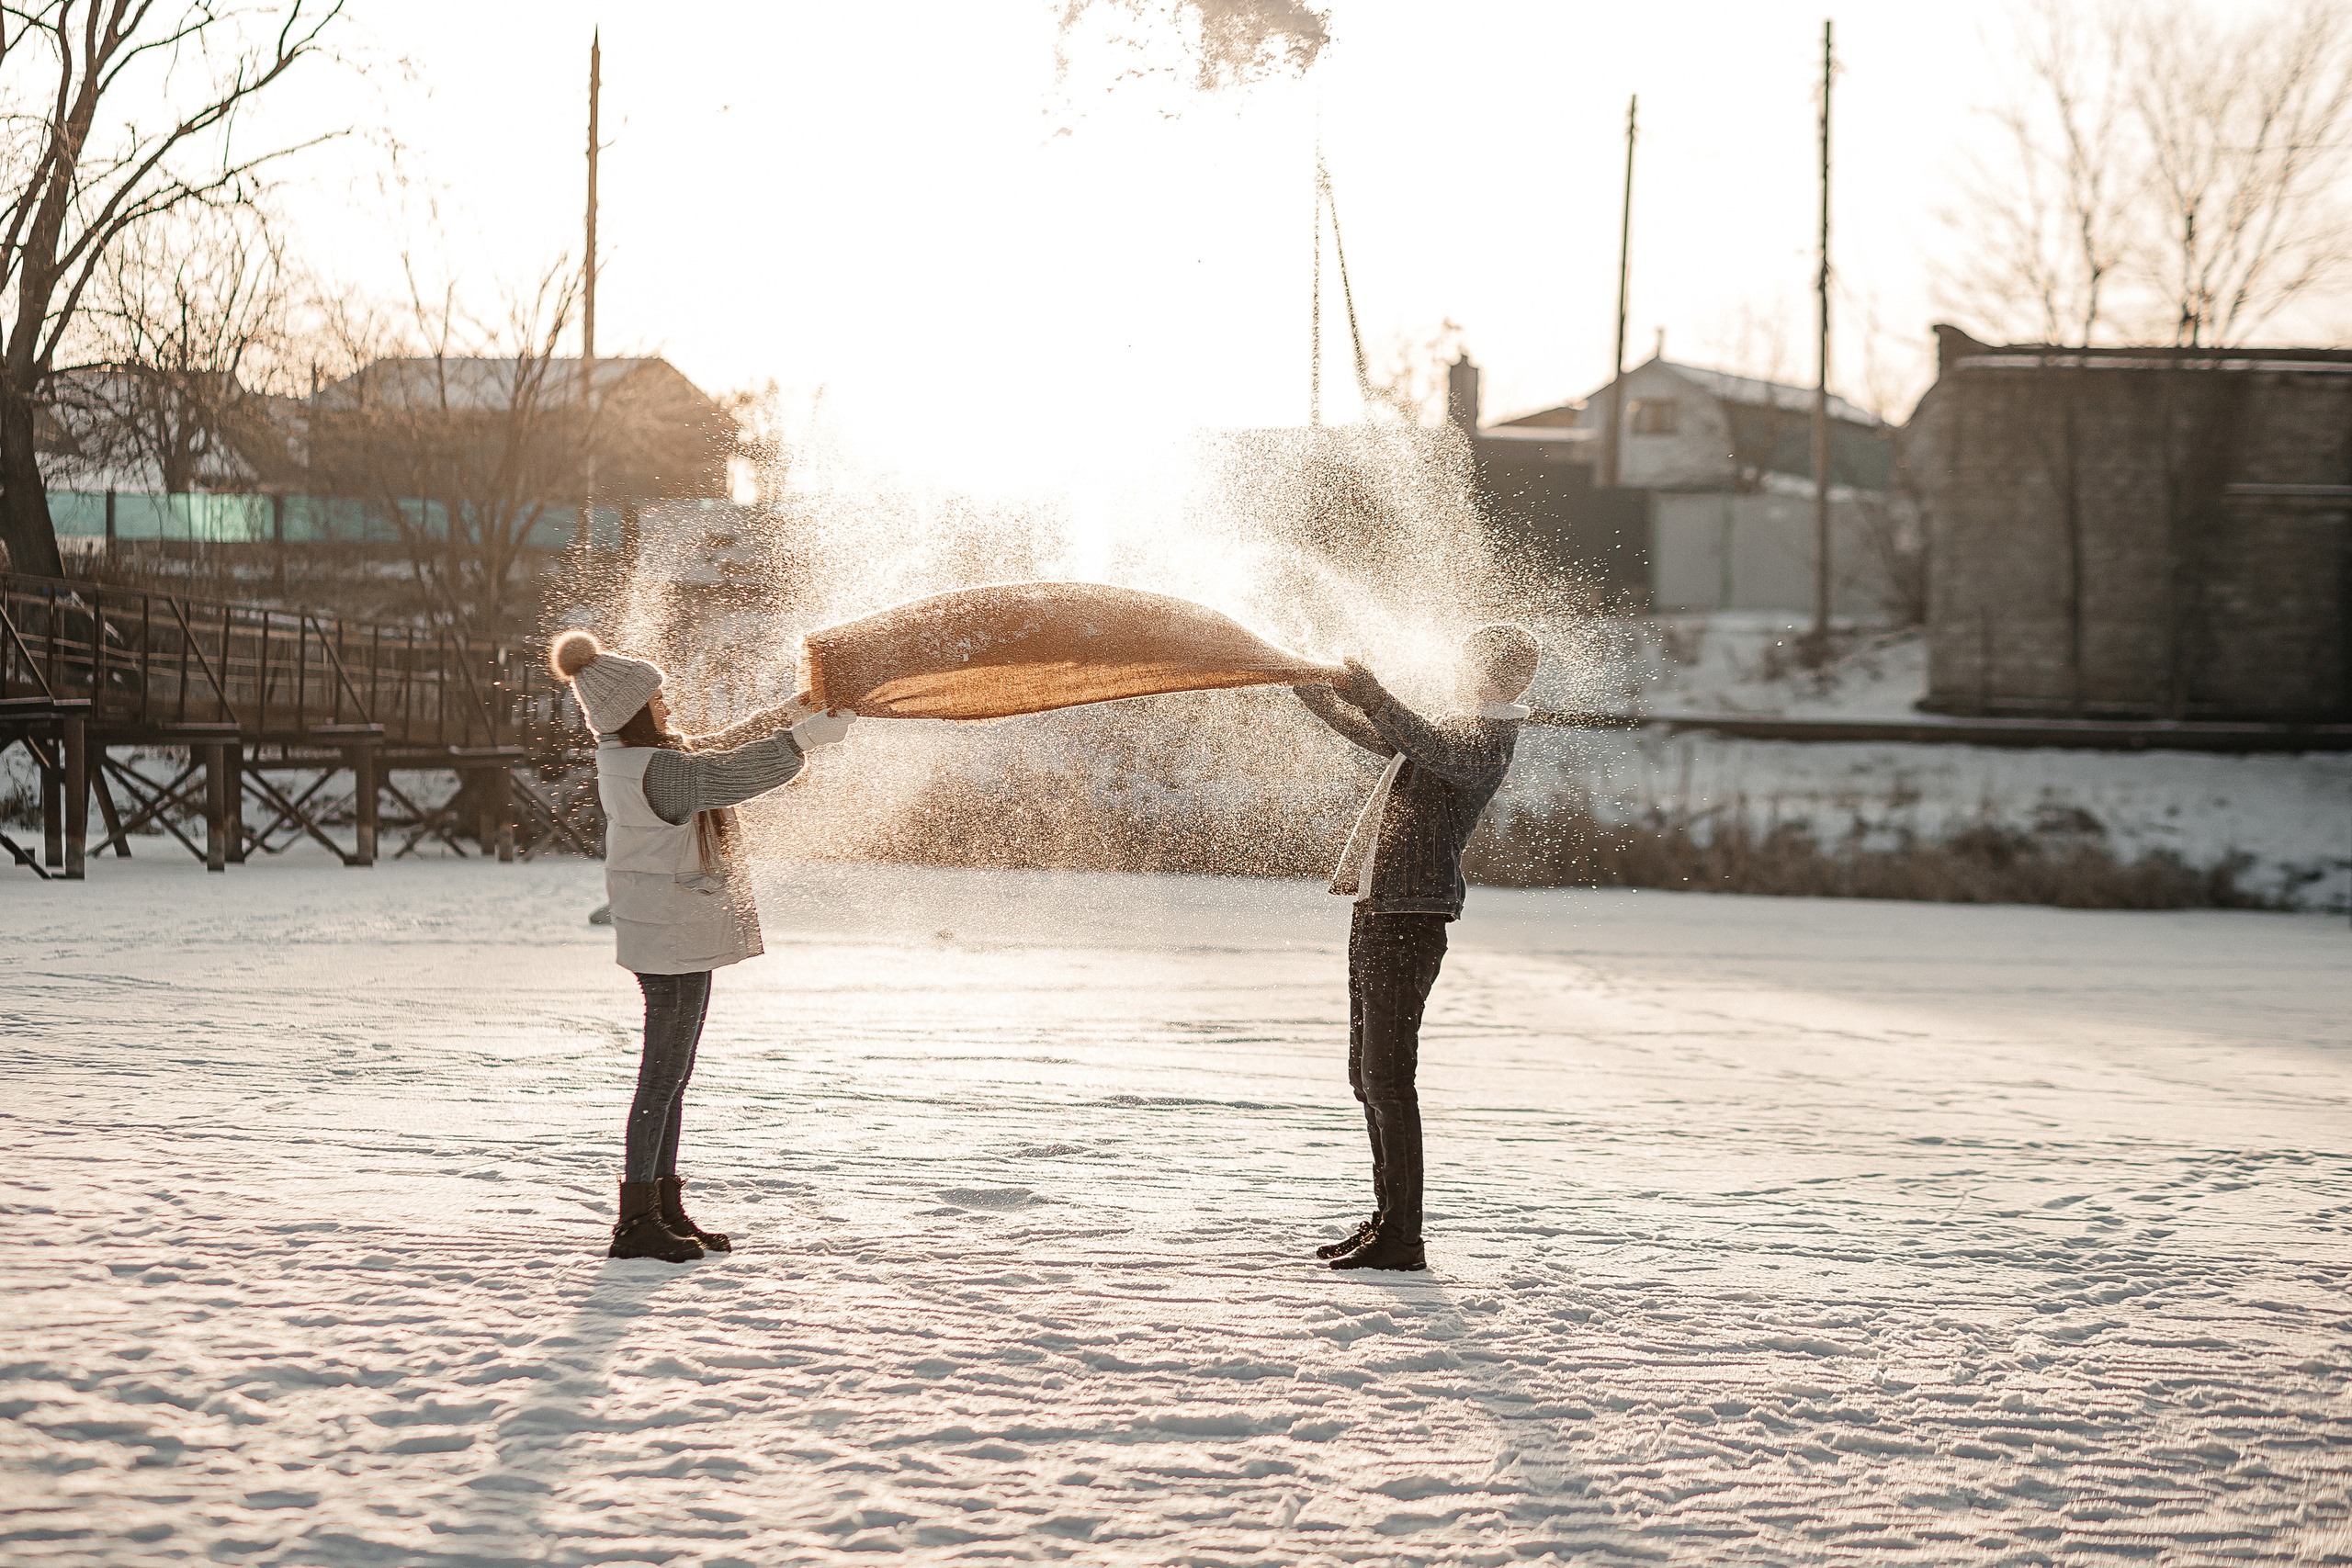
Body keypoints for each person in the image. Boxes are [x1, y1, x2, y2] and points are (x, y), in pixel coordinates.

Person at [550, 629, 854, 1263]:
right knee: (661, 1076)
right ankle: (636, 1220)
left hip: (669, 928)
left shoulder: (649, 756)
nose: (668, 703)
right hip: (669, 935)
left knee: (673, 1075)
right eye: (657, 697)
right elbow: (721, 774)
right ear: (632, 709)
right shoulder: (655, 771)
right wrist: (801, 743)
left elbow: (719, 745)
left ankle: (662, 1205)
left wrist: (795, 712)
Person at [1293, 624, 1542, 1272]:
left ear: (1493, 673)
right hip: (1379, 908)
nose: (1459, 666)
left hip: (1411, 919)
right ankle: (1387, 1219)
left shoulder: (1488, 740)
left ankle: (1404, 1237)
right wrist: (1304, 680)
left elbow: (1418, 738)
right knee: (1365, 1074)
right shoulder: (1461, 728)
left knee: (1389, 1078)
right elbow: (1383, 734)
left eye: (1470, 660)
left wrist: (1372, 690)